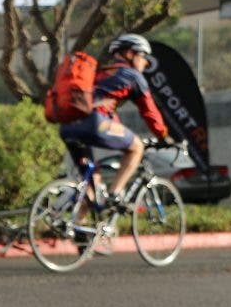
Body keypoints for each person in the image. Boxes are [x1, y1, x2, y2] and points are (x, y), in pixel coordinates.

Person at [59, 33, 170, 208]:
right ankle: (115, 194)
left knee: (92, 183)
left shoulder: (100, 73)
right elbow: (150, 112)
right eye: (143, 57)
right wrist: (163, 135)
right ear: (130, 53)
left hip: (68, 126)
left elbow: (104, 110)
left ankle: (79, 228)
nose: (144, 63)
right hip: (94, 123)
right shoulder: (133, 76)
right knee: (137, 147)